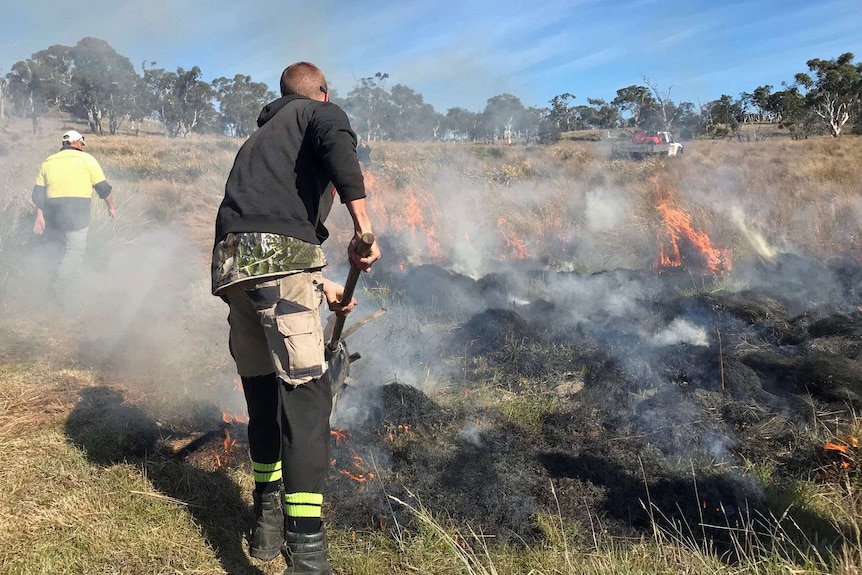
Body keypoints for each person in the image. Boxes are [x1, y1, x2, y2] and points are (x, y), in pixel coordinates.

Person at [211, 61, 380, 575]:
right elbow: (339, 145)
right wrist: (363, 227)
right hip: (278, 261)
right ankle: (306, 550)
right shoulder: (318, 115)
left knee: (262, 392)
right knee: (308, 398)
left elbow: (265, 228)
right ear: (321, 93)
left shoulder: (261, 138)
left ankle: (264, 520)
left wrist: (321, 283)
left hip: (234, 265)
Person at [32, 129, 116, 296]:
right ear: (77, 143)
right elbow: (103, 189)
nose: (82, 147)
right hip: (77, 212)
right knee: (75, 251)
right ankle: (60, 288)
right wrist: (111, 207)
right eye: (82, 144)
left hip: (52, 212)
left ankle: (44, 280)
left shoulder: (49, 161)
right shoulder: (87, 159)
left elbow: (38, 193)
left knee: (56, 247)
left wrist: (39, 217)